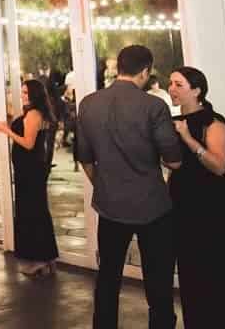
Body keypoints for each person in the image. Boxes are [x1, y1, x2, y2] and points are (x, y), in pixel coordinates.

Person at [77, 46, 182, 329]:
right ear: (145, 71)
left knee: (108, 277)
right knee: (157, 279)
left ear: (119, 67)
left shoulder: (88, 103)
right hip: (152, 206)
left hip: (110, 205)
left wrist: (104, 184)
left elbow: (85, 158)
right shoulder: (153, 106)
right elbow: (173, 161)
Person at [167, 67, 225, 327]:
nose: (171, 89)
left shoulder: (213, 121)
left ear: (196, 90)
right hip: (182, 204)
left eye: (178, 84)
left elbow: (219, 166)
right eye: (170, 84)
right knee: (191, 270)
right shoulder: (171, 121)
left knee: (221, 269)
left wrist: (187, 139)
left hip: (212, 205)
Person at [0, 79, 59, 277]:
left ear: (34, 95)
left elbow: (28, 143)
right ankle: (45, 257)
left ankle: (38, 259)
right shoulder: (36, 113)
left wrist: (6, 131)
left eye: (25, 92)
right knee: (37, 210)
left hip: (30, 171)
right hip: (31, 170)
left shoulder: (33, 114)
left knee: (33, 212)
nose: (22, 95)